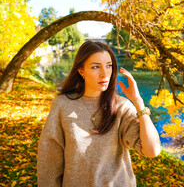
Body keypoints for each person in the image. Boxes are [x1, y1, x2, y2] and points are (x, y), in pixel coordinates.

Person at [37, 40, 161, 187]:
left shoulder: (122, 107)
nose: (104, 74)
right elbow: (49, 160)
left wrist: (138, 101)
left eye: (108, 66)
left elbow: (152, 150)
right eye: (95, 67)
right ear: (81, 71)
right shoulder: (62, 105)